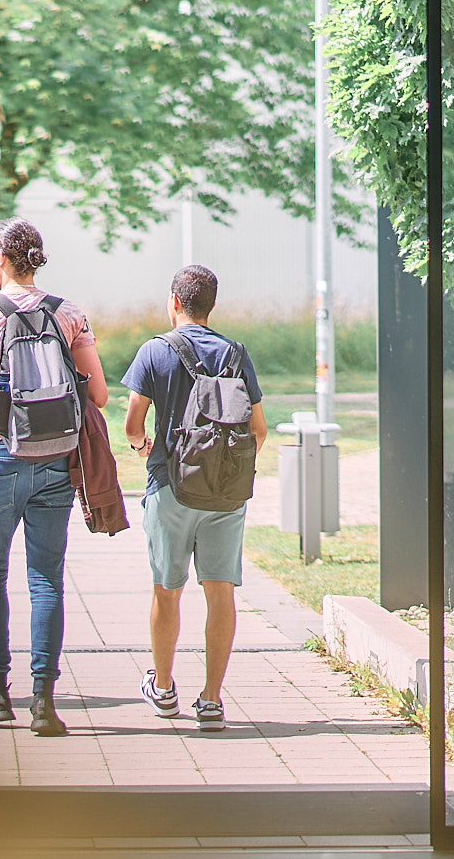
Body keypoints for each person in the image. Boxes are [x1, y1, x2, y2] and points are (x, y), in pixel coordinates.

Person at [0, 218, 108, 737]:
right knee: (46, 578)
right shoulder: (70, 314)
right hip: (57, 461)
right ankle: (44, 702)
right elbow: (98, 395)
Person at [121, 265, 265, 731]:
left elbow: (132, 425)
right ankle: (211, 701)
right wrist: (225, 469)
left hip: (171, 488)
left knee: (168, 590)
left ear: (174, 301)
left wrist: (147, 450)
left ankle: (163, 689)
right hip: (226, 496)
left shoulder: (154, 351)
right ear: (212, 306)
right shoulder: (236, 355)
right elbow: (258, 431)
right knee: (220, 592)